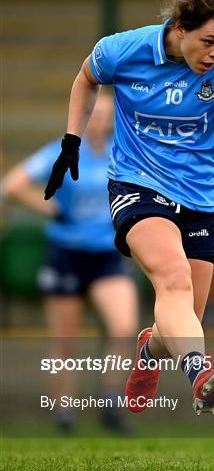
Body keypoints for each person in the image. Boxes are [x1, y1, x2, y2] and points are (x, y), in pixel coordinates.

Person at [42, 0, 214, 416]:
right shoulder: (124, 50)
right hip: (137, 186)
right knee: (173, 281)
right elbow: (86, 79)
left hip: (200, 197)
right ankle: (202, 374)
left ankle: (150, 350)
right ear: (180, 29)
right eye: (208, 41)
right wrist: (72, 140)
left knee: (182, 320)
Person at [3, 91, 139, 433]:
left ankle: (110, 402)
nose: (102, 120)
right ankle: (64, 412)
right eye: (96, 113)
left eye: (108, 115)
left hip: (106, 255)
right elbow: (12, 186)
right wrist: (52, 209)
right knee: (66, 342)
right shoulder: (60, 152)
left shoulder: (119, 154)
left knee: (124, 327)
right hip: (66, 255)